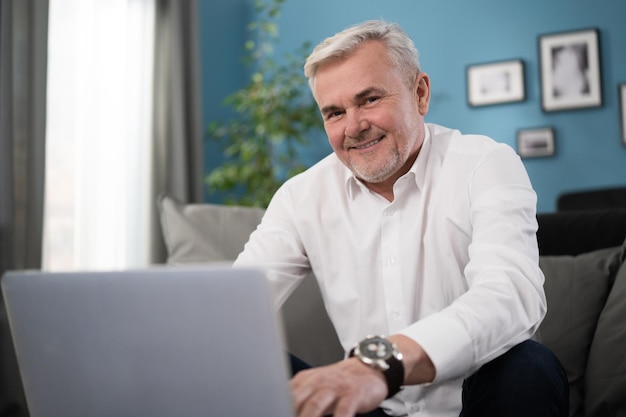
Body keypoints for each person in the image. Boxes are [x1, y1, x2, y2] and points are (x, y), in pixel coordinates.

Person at [234, 20, 568, 417]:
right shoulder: (300, 196)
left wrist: (381, 363)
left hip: (477, 402)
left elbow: (510, 296)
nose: (354, 126)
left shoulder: (485, 164)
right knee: (248, 366)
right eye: (335, 112)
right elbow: (233, 306)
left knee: (529, 366)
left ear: (420, 93)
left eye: (370, 99)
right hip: (369, 409)